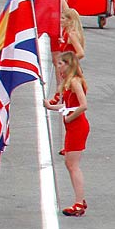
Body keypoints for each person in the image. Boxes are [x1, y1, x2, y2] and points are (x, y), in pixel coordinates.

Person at [46, 50, 89, 217]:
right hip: (72, 125)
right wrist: (51, 106)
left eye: (60, 64)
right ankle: (79, 200)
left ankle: (79, 202)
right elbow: (67, 104)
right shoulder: (68, 81)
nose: (58, 67)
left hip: (77, 125)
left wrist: (71, 118)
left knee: (73, 165)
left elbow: (83, 105)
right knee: (69, 164)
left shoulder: (76, 81)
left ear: (68, 64)